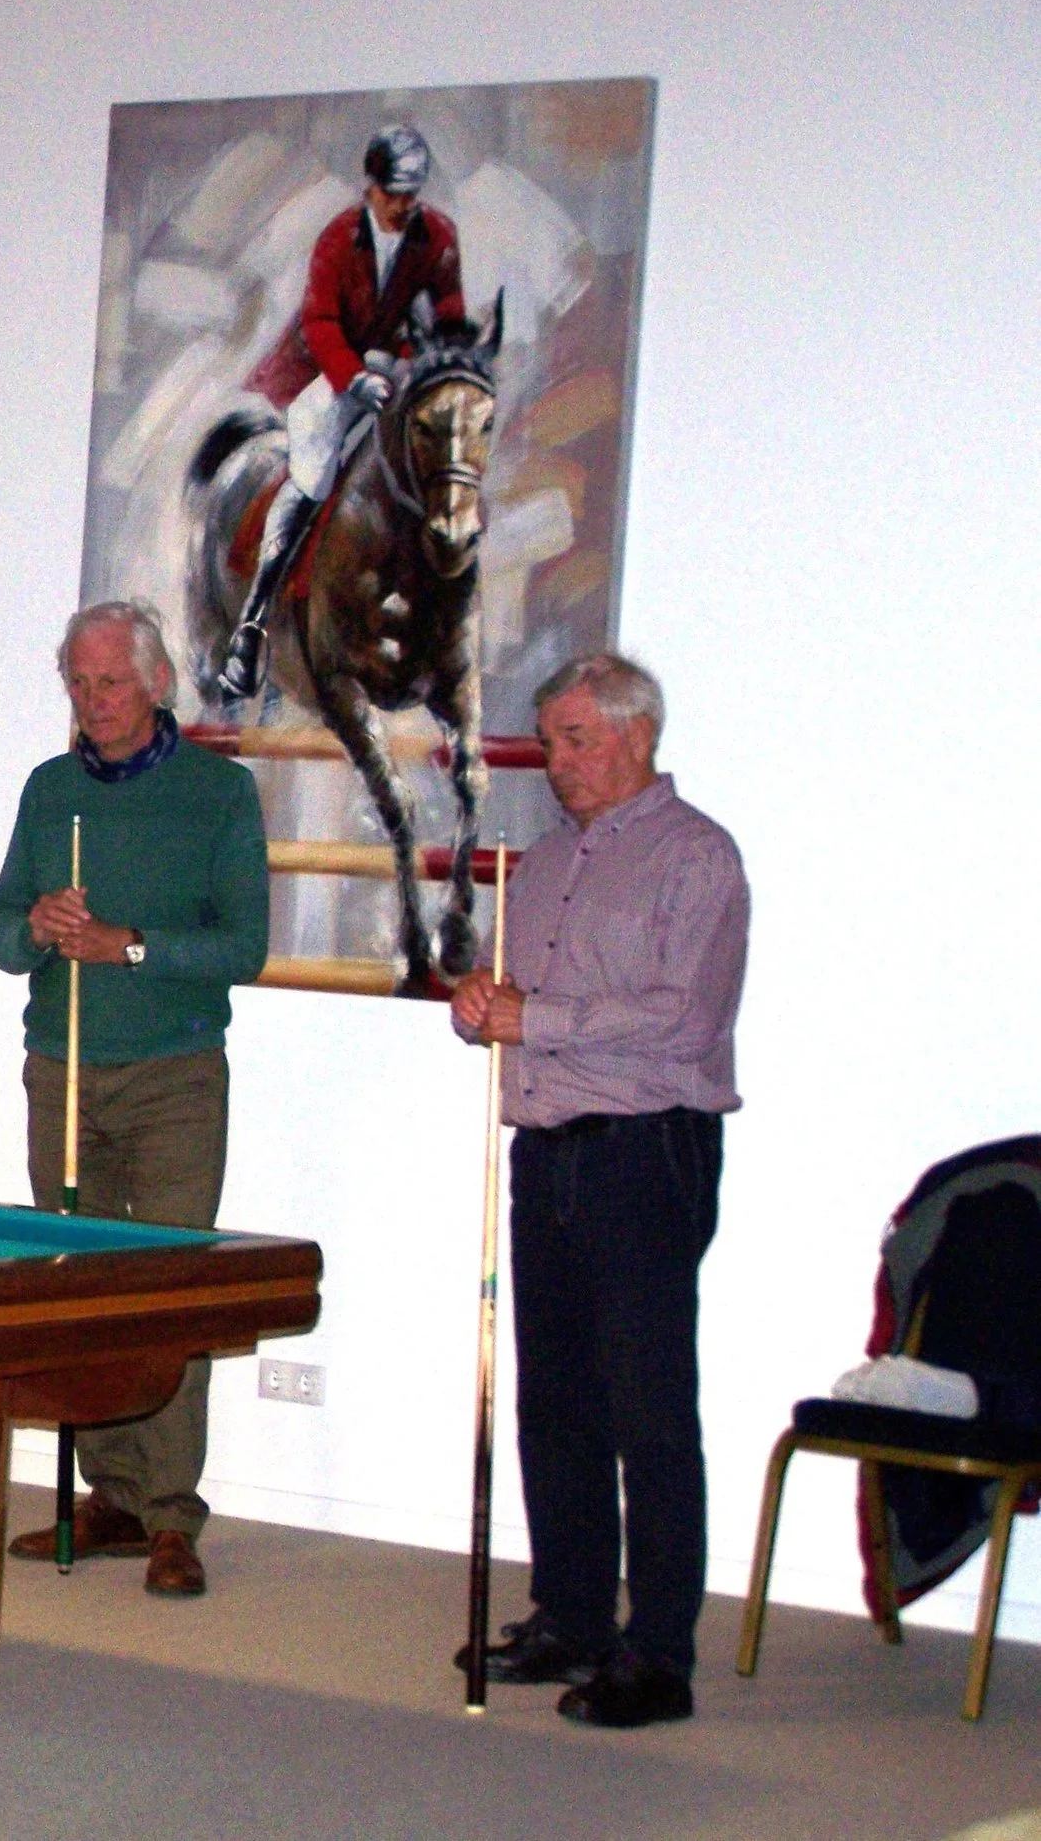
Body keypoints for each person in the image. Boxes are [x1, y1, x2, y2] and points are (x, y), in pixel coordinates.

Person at [448, 652, 749, 1727]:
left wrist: (539, 1018)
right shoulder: (539, 866)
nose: (559, 761)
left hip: (644, 1150)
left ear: (636, 736)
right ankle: (570, 1614)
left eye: (576, 740)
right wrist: (482, 1003)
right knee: (555, 1399)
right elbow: (514, 1006)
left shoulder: (695, 856)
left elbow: (685, 1018)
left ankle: (657, 1654)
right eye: (552, 741)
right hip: (549, 1150)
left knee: (647, 1406)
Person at [0, 601, 270, 1597]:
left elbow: (243, 948)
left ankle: (171, 1514)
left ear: (156, 683)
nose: (90, 699)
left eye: (108, 681)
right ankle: (108, 1494)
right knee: (79, 1290)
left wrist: (128, 943)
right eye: (75, 680)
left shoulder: (218, 791)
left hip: (174, 1074)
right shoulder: (49, 788)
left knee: (165, 1289)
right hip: (59, 1065)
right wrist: (41, 926)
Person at [218, 123, 467, 699]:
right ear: (371, 188)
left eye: (411, 195)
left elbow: (447, 312)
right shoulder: (337, 239)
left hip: (401, 371)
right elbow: (321, 323)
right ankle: (252, 625)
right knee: (312, 476)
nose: (402, 207)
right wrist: (355, 378)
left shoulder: (438, 236)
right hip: (332, 372)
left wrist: (424, 363)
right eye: (392, 195)